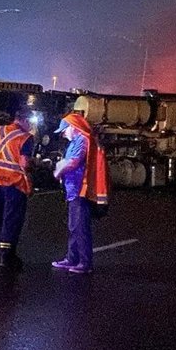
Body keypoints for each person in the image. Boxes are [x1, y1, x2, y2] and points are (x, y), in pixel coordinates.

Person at [51, 112, 109, 274]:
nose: (63, 134)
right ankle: (72, 258)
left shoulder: (82, 140)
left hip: (80, 190)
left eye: (64, 130)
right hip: (74, 190)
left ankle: (84, 262)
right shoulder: (76, 141)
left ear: (73, 127)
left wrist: (58, 171)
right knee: (74, 227)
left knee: (80, 227)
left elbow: (73, 162)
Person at [0, 104, 35, 268]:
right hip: (13, 183)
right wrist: (34, 166)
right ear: (25, 120)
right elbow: (24, 163)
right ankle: (6, 255)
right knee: (11, 217)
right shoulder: (26, 137)